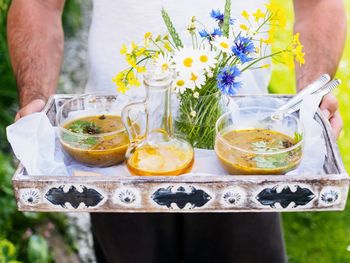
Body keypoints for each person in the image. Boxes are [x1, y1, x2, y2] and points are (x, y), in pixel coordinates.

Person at [7, 0, 346, 262]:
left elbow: (317, 4)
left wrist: (312, 92)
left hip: (241, 154)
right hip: (116, 154)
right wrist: (35, 99)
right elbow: (40, 4)